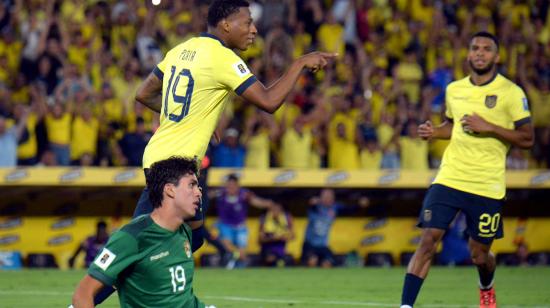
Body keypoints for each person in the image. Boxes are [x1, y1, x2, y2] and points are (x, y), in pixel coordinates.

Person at [94, 0, 335, 303]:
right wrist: (299, 62)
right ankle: (85, 299)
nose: (253, 29)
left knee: (193, 238)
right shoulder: (222, 57)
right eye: (247, 22)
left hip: (167, 159)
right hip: (173, 168)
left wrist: (194, 116)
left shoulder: (181, 50)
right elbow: (270, 101)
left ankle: (162, 291)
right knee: (135, 247)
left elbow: (144, 94)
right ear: (225, 25)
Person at [399, 32, 534, 308]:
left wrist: (491, 127)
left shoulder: (511, 93)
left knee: (479, 255)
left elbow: (528, 138)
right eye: (475, 48)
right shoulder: (454, 89)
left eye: (486, 49)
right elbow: (453, 125)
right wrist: (435, 132)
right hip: (450, 177)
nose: (480, 53)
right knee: (428, 239)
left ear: (496, 57)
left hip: (487, 184)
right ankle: (406, 306)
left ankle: (486, 286)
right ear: (468, 54)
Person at [72, 156, 215, 308]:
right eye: (191, 185)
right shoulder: (131, 237)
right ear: (170, 190)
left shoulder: (184, 232)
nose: (198, 193)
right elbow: (83, 295)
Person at [214, 173, 271, 268]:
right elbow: (205, 197)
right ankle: (230, 259)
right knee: (227, 245)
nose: (230, 188)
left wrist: (269, 204)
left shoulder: (244, 195)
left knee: (242, 254)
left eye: (233, 185)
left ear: (237, 186)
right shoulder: (221, 193)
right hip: (225, 225)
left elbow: (257, 202)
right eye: (229, 185)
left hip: (240, 227)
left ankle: (240, 266)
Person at [259, 200, 294, 267]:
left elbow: (293, 236)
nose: (275, 212)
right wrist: (272, 238)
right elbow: (260, 239)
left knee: (284, 262)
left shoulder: (287, 218)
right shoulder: (265, 218)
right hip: (268, 248)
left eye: (278, 210)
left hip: (281, 249)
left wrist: (284, 237)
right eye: (273, 210)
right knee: (270, 259)